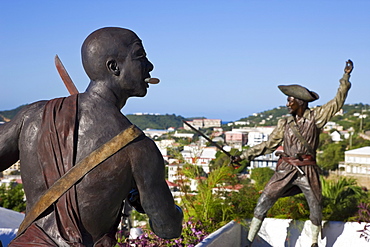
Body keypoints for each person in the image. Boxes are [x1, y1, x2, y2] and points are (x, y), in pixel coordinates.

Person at [0, 27, 183, 246]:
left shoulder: (32, 115)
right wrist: (166, 207)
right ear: (114, 67)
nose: (150, 66)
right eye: (140, 56)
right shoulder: (139, 149)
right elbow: (168, 228)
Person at [232, 60, 353, 247]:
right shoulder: (284, 123)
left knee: (316, 206)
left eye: (290, 100)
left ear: (300, 102)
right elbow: (268, 145)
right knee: (264, 200)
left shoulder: (316, 117)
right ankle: (248, 242)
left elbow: (338, 102)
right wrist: (243, 156)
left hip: (308, 169)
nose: (287, 103)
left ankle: (313, 243)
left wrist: (345, 77)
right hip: (285, 169)